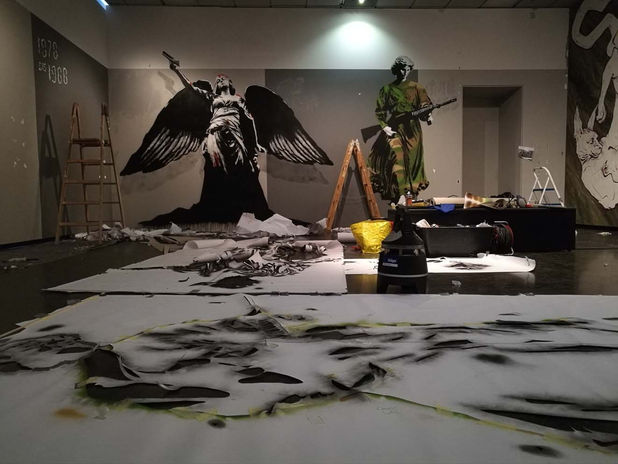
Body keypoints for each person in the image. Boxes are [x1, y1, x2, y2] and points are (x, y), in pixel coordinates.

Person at [368, 56, 433, 202]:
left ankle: (409, 195)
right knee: (397, 159)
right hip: (394, 128)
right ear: (397, 69)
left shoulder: (417, 88)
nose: (405, 72)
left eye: (408, 69)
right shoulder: (387, 89)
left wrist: (428, 115)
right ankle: (401, 193)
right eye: (402, 69)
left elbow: (424, 106)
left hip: (412, 130)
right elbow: (380, 111)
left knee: (412, 162)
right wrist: (385, 127)